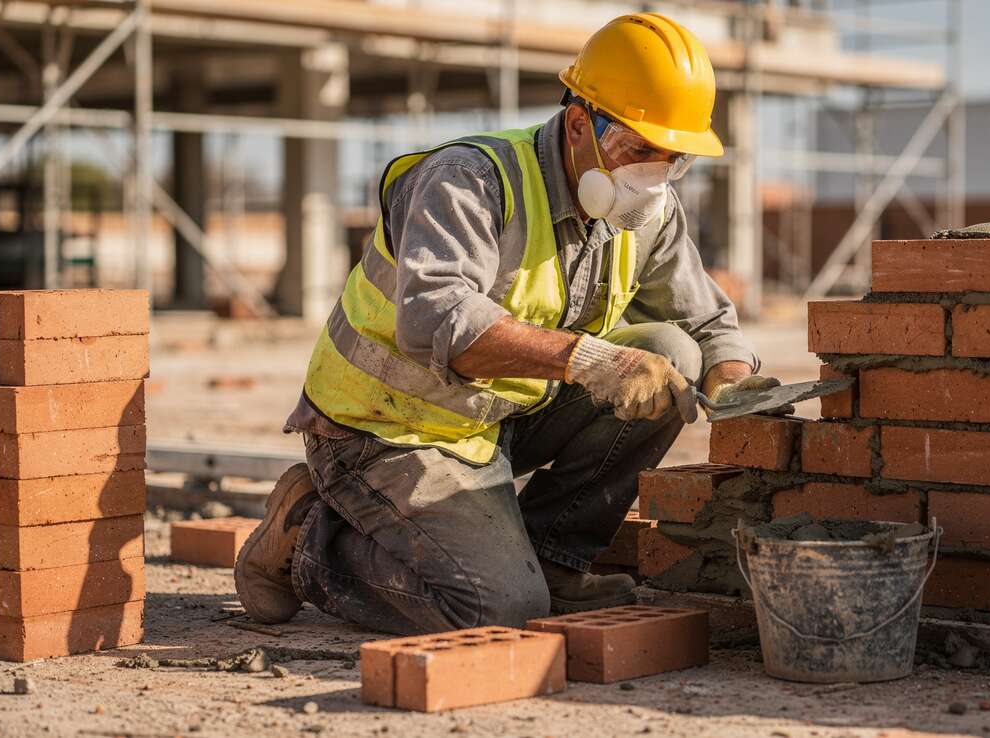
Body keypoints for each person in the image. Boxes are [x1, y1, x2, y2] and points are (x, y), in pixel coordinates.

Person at [235, 12, 783, 635]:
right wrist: (590, 360)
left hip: (495, 418)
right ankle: (309, 535)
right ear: (580, 124)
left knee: (672, 353)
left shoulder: (647, 211)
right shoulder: (470, 180)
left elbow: (706, 319)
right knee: (495, 609)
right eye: (639, 150)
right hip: (386, 428)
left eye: (673, 160)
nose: (654, 176)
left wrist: (733, 379)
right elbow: (437, 318)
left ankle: (554, 564)